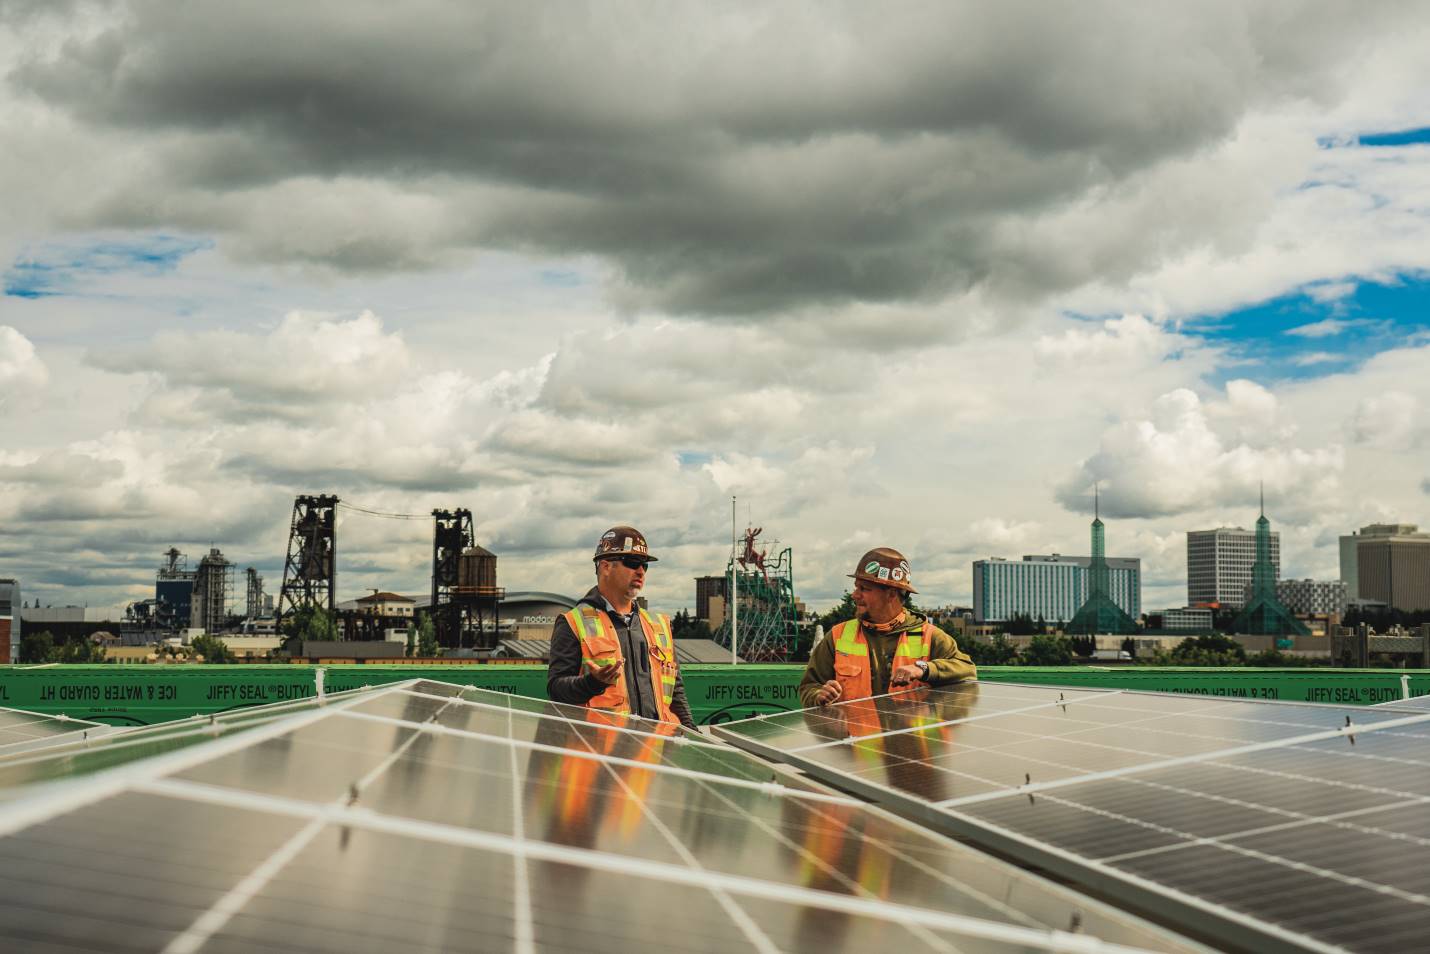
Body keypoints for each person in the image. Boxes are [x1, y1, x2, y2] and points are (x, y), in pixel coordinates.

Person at [547, 525, 698, 729]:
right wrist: (593, 683)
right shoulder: (572, 623)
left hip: (655, 751)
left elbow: (676, 692)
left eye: (645, 565)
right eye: (632, 562)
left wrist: (691, 734)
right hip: (603, 752)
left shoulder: (659, 626)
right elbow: (556, 690)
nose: (641, 571)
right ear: (606, 567)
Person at [799, 547, 976, 708]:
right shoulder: (837, 636)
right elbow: (809, 687)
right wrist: (818, 695)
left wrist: (923, 669)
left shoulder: (929, 636)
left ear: (891, 594)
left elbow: (967, 670)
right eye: (856, 587)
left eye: (864, 588)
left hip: (909, 743)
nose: (855, 595)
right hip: (856, 741)